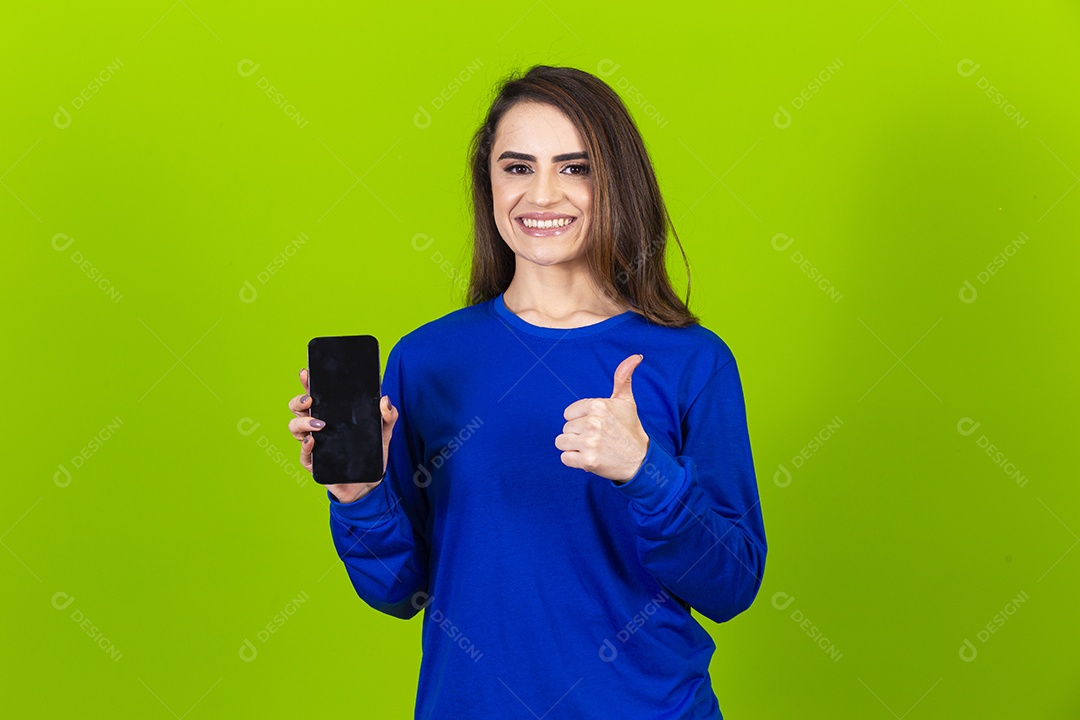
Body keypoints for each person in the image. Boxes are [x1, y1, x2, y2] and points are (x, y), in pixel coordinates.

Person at [287, 65, 767, 719]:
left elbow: (732, 584)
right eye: (517, 168)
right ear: (489, 184)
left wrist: (645, 473)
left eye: (574, 168)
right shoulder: (428, 360)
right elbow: (400, 591)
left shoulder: (691, 361)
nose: (542, 195)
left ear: (615, 184)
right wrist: (358, 495)